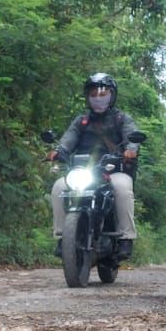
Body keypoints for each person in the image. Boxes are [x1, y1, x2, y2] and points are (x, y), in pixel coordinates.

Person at [49, 72, 139, 256]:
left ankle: (126, 238)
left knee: (122, 187)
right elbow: (68, 139)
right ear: (87, 97)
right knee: (58, 187)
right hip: (83, 170)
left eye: (103, 94)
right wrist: (58, 151)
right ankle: (61, 237)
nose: (99, 98)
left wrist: (131, 150)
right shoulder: (81, 121)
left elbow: (132, 137)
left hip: (112, 169)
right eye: (94, 95)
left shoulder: (121, 119)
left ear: (112, 96)